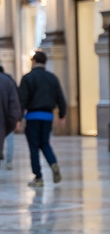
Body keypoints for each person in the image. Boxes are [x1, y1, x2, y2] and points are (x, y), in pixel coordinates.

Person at [18, 51, 67, 188]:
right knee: (45, 143)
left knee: (34, 147)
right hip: (47, 116)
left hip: (33, 116)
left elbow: (22, 100)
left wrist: (18, 118)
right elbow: (60, 98)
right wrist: (62, 115)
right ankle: (53, 163)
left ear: (33, 61)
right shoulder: (52, 78)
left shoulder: (27, 78)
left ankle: (38, 177)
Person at [0, 63, 20, 170]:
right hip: (4, 123)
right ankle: (9, 161)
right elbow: (14, 107)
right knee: (10, 139)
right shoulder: (8, 81)